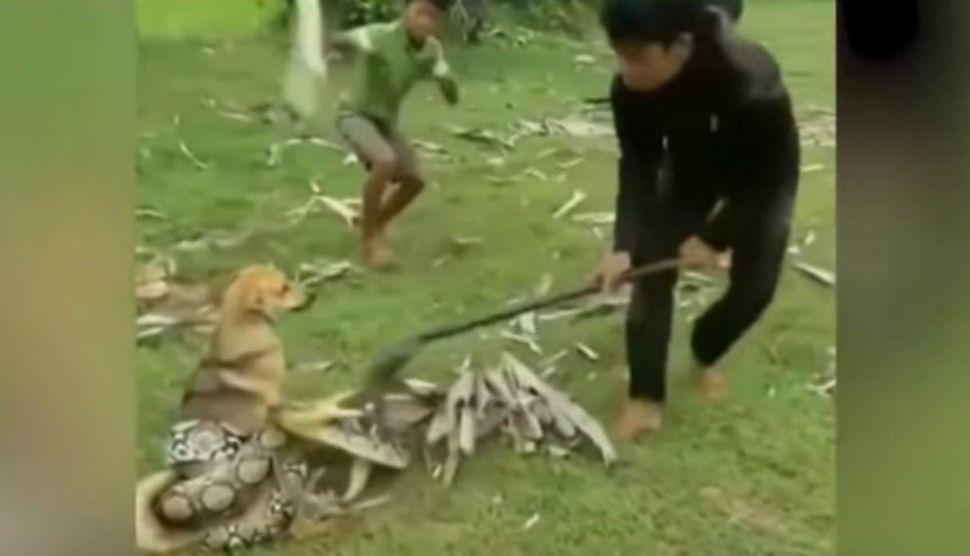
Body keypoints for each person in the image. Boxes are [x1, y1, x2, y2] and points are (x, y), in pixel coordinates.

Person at [594, 0, 800, 441]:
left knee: (754, 290)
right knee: (650, 268)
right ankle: (645, 397)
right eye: (620, 56)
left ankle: (705, 349)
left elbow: (764, 183)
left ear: (680, 47)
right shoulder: (629, 91)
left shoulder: (752, 81)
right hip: (692, 172)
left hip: (763, 179)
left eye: (638, 58)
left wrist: (715, 237)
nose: (626, 72)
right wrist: (623, 245)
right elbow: (639, 168)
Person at [331, 0, 459, 270]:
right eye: (420, 13)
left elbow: (452, 98)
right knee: (385, 161)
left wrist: (445, 78)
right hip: (354, 115)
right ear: (405, 10)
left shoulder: (431, 51)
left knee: (415, 180)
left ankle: (374, 223)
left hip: (385, 123)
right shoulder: (380, 35)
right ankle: (370, 241)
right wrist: (334, 44)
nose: (425, 22)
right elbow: (341, 40)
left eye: (433, 18)